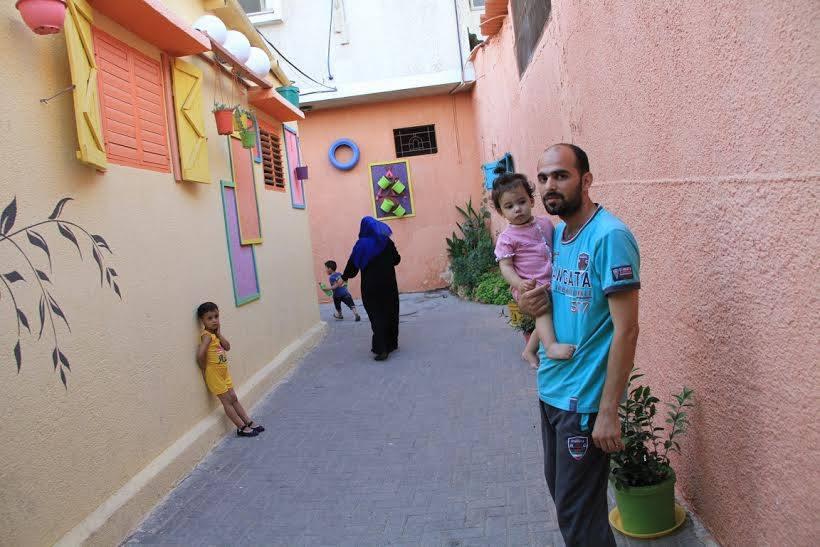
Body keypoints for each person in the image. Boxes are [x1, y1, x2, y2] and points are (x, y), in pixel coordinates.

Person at [517, 144, 640, 546]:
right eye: (543, 178)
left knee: (579, 519)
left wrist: (609, 411)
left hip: (584, 404)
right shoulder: (558, 235)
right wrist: (529, 303)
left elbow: (626, 331)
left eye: (561, 175)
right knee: (569, 507)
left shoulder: (610, 236)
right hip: (553, 391)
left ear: (586, 180)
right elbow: (558, 303)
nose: (549, 185)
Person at [492, 173, 576, 369]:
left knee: (547, 313)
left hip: (550, 281)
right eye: (509, 206)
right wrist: (519, 284)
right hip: (528, 285)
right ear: (501, 211)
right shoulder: (507, 238)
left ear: (531, 200)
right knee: (543, 310)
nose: (517, 209)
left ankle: (529, 350)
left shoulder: (545, 223)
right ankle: (550, 346)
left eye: (521, 202)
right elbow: (506, 266)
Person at [196, 302, 265, 438]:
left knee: (233, 397)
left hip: (223, 373)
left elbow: (227, 347)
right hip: (214, 374)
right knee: (227, 401)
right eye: (209, 318)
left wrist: (219, 334)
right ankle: (241, 427)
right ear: (202, 320)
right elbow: (200, 354)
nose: (214, 320)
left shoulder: (215, 335)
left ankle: (248, 421)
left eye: (216, 316)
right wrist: (205, 369)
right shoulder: (207, 336)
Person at [342, 217, 401, 361]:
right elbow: (397, 259)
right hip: (389, 285)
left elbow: (352, 267)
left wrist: (344, 277)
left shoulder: (361, 245)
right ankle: (392, 344)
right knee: (390, 312)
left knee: (376, 315)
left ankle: (382, 349)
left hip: (371, 287)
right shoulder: (386, 241)